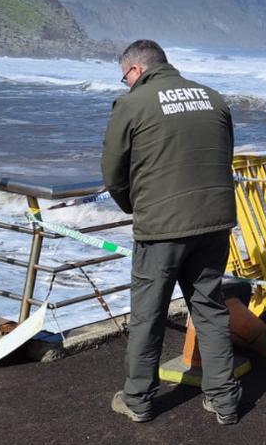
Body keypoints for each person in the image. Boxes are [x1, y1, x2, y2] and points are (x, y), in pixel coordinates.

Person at [101, 40, 241, 425]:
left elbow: (113, 171)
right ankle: (224, 401)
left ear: (134, 71)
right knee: (210, 309)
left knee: (148, 315)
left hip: (162, 226)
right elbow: (223, 154)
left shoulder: (132, 104)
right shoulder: (213, 98)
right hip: (214, 221)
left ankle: (139, 401)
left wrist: (133, 206)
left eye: (124, 76)